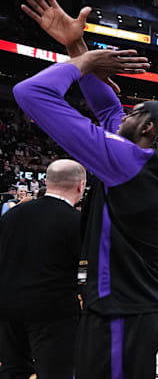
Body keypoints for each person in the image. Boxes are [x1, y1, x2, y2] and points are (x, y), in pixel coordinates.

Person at [15, 0, 158, 378]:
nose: (124, 112)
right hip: (134, 307)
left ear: (147, 127)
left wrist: (88, 61)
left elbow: (30, 92)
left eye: (135, 111)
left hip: (123, 312)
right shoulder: (141, 158)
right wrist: (75, 45)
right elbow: (106, 107)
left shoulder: (126, 160)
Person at [0, 160, 85, 379]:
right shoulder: (76, 221)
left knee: (13, 370)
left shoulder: (11, 216)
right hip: (53, 313)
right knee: (56, 372)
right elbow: (85, 272)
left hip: (8, 309)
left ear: (46, 181)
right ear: (81, 186)